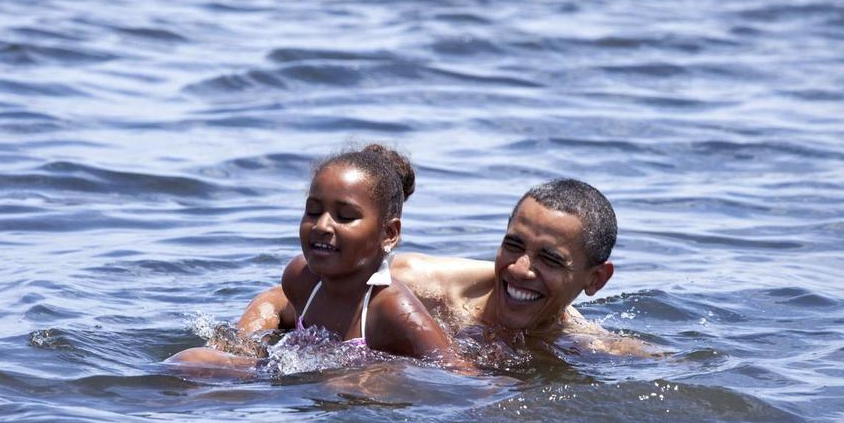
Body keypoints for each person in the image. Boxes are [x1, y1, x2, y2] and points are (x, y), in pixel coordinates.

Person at [237, 178, 649, 356]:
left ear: (596, 279)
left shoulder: (584, 342)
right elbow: (279, 301)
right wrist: (243, 351)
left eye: (550, 259)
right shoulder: (420, 285)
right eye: (513, 245)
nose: (520, 269)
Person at [170, 144, 465, 369]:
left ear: (389, 233)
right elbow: (272, 306)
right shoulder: (302, 278)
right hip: (304, 403)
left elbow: (458, 373)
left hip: (364, 410)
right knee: (192, 362)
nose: (322, 226)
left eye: (345, 216)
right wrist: (244, 342)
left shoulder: (391, 308)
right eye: (313, 211)